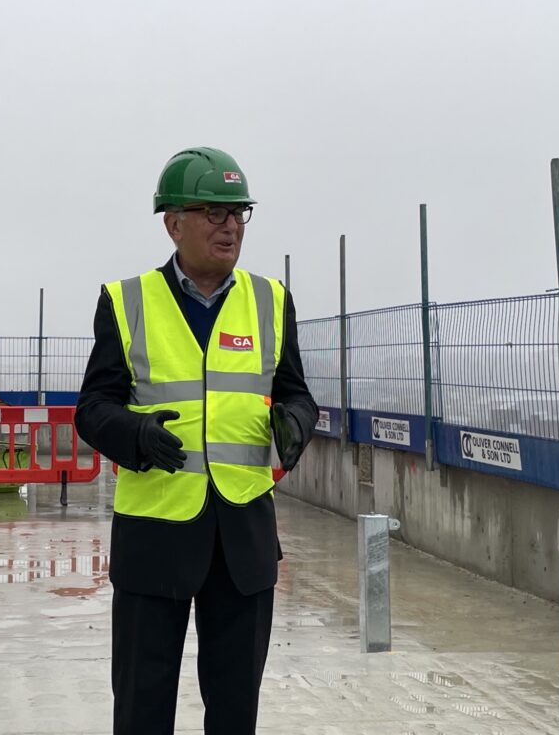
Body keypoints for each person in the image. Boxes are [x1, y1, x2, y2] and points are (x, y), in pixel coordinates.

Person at [75, 146, 318, 735]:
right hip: (155, 537)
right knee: (142, 706)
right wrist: (134, 432)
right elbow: (93, 408)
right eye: (213, 212)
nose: (230, 225)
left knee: (236, 711)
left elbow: (297, 394)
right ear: (173, 223)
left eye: (238, 212)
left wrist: (296, 422)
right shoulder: (127, 301)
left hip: (244, 542)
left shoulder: (271, 300)